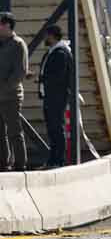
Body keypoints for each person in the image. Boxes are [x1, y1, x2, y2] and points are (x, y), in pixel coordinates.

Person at [39, 25, 72, 167]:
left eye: (46, 35)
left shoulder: (61, 53)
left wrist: (42, 79)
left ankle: (59, 160)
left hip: (57, 97)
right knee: (52, 129)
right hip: (49, 96)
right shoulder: (51, 52)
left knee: (57, 128)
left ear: (52, 36)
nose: (45, 38)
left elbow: (58, 76)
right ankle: (52, 160)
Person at [0, 12, 29, 171]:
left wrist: (4, 88)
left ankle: (20, 164)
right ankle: (4, 163)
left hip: (11, 96)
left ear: (7, 25)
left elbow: (20, 72)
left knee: (14, 132)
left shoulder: (18, 44)